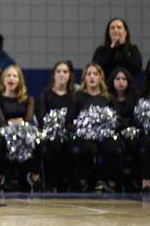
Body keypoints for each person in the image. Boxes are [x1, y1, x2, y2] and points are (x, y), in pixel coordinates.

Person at [71, 63, 119, 192]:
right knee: (89, 149)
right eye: (89, 74)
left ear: (100, 77)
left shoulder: (108, 98)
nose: (92, 77)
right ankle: (85, 181)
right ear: (84, 78)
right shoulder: (78, 96)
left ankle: (109, 182)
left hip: (104, 135)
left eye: (95, 74)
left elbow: (116, 119)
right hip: (84, 136)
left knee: (113, 148)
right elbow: (70, 120)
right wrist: (82, 128)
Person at [0, 65, 40, 191]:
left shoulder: (28, 99)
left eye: (15, 76)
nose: (11, 78)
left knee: (38, 139)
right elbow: (2, 122)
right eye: (8, 75)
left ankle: (34, 177)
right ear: (3, 79)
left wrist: (16, 123)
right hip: (6, 132)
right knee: (1, 138)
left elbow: (28, 121)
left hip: (24, 133)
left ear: (19, 80)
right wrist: (14, 122)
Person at [37, 60, 76, 192]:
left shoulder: (73, 96)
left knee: (71, 146)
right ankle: (51, 183)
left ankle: (67, 183)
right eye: (58, 71)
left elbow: (72, 118)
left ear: (69, 75)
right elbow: (42, 117)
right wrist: (52, 128)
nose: (61, 74)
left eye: (65, 71)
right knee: (53, 144)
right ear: (54, 75)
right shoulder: (45, 94)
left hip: (67, 133)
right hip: (49, 134)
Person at [138, 55, 150, 192]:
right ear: (149, 70)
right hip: (147, 133)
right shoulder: (141, 92)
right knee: (148, 142)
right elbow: (136, 117)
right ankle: (146, 184)